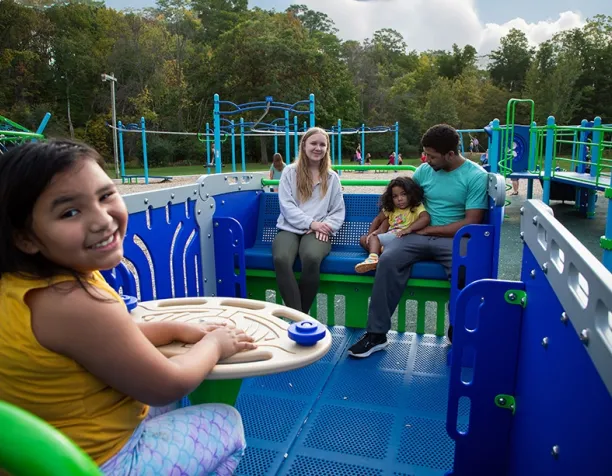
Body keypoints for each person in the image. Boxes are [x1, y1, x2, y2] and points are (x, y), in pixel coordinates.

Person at [0, 140, 256, 474]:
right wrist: (214, 343)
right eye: (70, 212)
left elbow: (106, 340)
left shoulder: (19, 285)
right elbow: (169, 384)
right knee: (227, 423)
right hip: (98, 462)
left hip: (37, 455)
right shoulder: (75, 302)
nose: (102, 220)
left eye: (105, 195)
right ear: (25, 238)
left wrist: (176, 329)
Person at [348, 124, 488, 358]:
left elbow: (471, 221)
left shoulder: (475, 176)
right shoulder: (424, 171)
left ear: (450, 154)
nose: (427, 160)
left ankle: (459, 329)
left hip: (452, 239)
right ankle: (376, 334)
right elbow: (399, 205)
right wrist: (381, 228)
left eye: (432, 156)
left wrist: (430, 230)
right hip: (416, 235)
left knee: (464, 269)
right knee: (388, 260)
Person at [272, 127, 345, 314]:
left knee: (312, 257)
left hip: (319, 230)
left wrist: (323, 226)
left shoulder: (332, 177)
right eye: (314, 143)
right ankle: (299, 317)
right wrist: (310, 223)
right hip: (290, 228)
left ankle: (301, 317)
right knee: (281, 258)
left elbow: (337, 211)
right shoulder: (290, 172)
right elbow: (287, 206)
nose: (318, 148)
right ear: (304, 145)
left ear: (327, 148)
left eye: (323, 144)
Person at [355, 177, 430, 273]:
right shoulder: (391, 209)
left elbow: (425, 218)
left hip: (403, 238)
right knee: (363, 239)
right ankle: (380, 252)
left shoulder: (416, 207)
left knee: (375, 239)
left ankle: (373, 257)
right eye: (395, 196)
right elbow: (378, 219)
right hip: (389, 238)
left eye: (403, 194)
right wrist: (370, 235)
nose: (399, 199)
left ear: (411, 193)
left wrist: (409, 229)